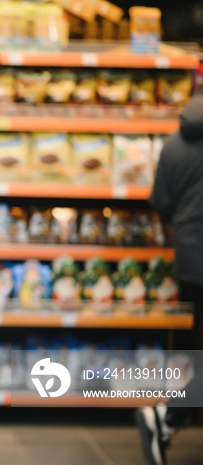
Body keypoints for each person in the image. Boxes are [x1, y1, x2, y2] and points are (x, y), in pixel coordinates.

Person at [137, 91, 203, 465]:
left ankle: (167, 415)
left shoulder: (174, 142)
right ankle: (167, 414)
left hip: (192, 257)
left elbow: (160, 200)